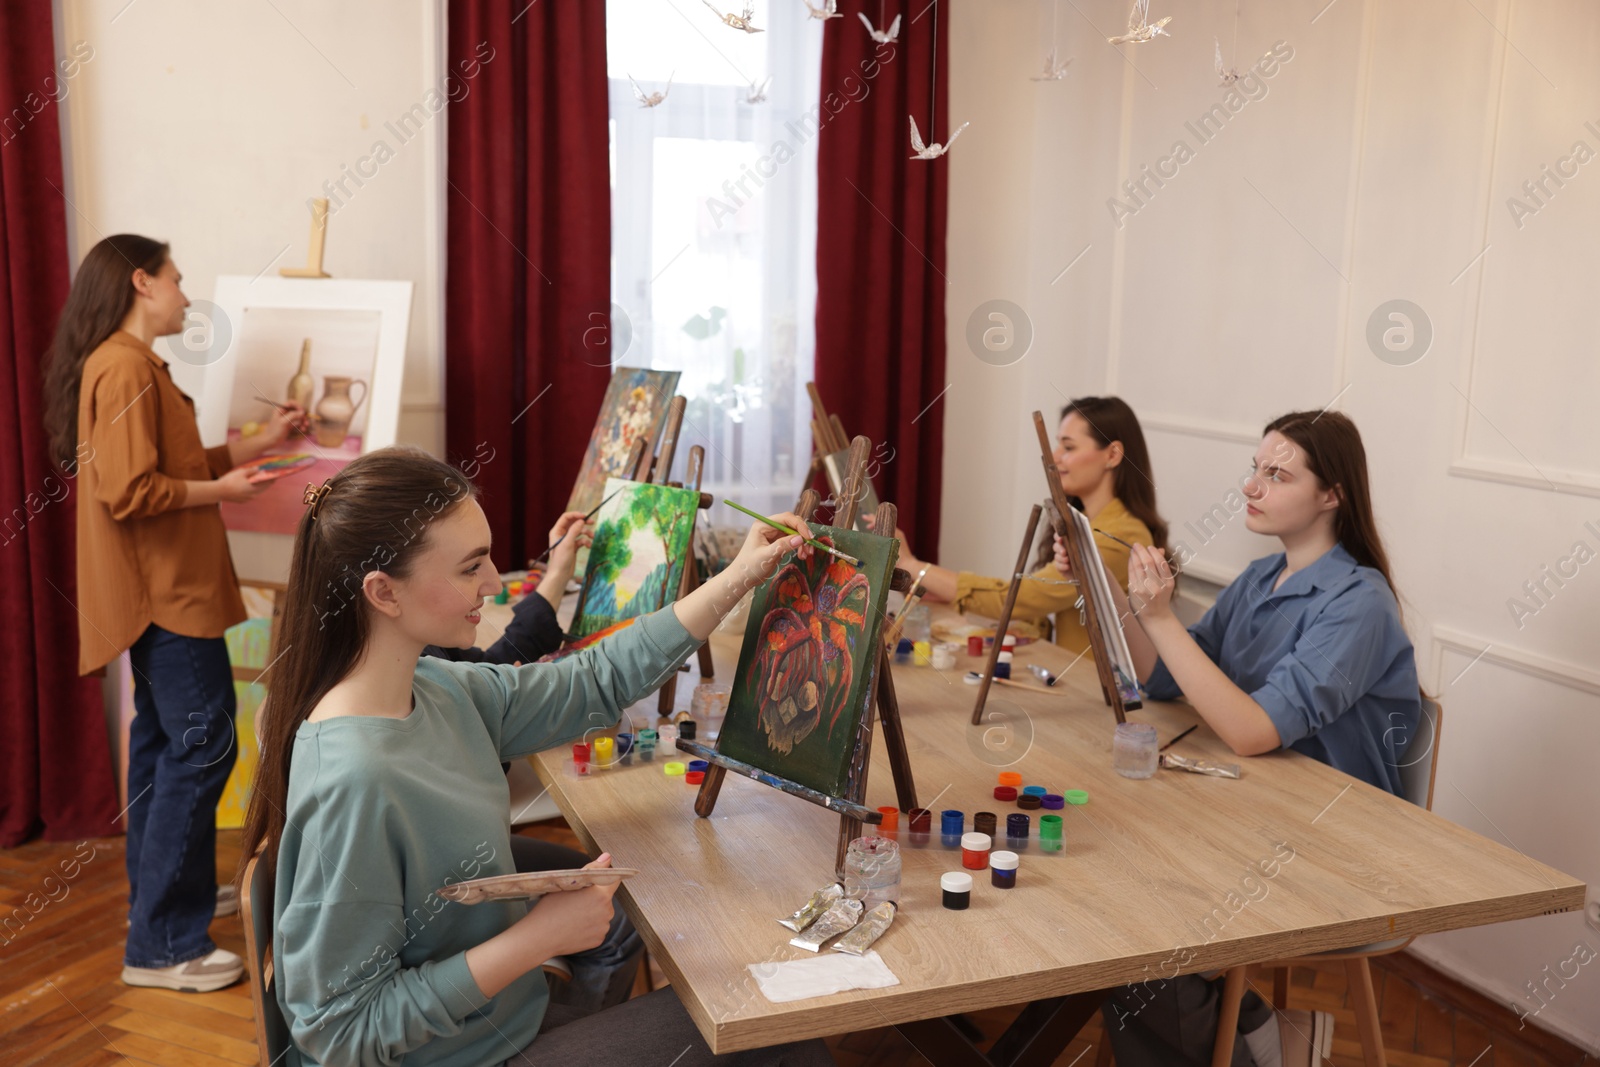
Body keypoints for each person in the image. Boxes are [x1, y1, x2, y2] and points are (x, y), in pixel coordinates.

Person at [238, 446, 834, 1067]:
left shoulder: (435, 687)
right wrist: (535, 940)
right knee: (775, 1030)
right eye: (472, 568)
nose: (494, 583)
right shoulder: (357, 778)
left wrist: (736, 576)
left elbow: (590, 682)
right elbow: (337, 1034)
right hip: (455, 1055)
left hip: (493, 1024)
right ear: (384, 592)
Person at [1055, 411, 1421, 1067]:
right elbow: (1164, 677)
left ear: (1332, 493)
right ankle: (1263, 1031)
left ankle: (1257, 1041)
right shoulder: (1259, 580)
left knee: (1140, 914)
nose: (1252, 486)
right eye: (1255, 469)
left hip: (1334, 848)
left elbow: (1252, 730)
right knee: (1112, 881)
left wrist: (1161, 615)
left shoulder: (1359, 601)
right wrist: (1106, 586)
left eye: (1277, 474)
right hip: (1255, 814)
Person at [41, 234, 309, 992]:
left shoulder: (130, 365)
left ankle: (167, 899)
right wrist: (223, 494)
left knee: (167, 750)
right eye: (177, 279)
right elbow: (130, 492)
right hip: (163, 595)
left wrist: (264, 441)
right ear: (140, 282)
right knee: (202, 748)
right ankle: (161, 943)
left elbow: (178, 470)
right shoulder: (122, 365)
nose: (186, 295)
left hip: (164, 592)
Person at [896, 397, 1167, 655]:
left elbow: (1020, 597)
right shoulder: (1084, 522)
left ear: (1112, 455)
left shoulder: (1121, 535)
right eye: (1057, 445)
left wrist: (914, 567)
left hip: (1094, 690)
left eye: (1069, 448)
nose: (1055, 456)